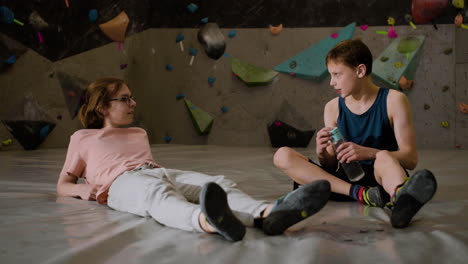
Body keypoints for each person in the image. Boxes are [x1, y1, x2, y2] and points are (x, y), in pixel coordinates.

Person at [56, 77, 331, 241]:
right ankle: (208, 222)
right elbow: (63, 183)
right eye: (125, 99)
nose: (133, 104)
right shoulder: (83, 138)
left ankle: (267, 214)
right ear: (103, 106)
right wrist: (81, 189)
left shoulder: (138, 132)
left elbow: (153, 169)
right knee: (156, 195)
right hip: (120, 184)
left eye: (132, 98)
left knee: (214, 182)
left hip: (158, 170)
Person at [272, 39, 437, 228]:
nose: (332, 83)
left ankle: (401, 201)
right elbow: (331, 164)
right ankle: (361, 194)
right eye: (330, 75)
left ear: (360, 71)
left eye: (337, 75)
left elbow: (410, 159)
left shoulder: (394, 100)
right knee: (282, 155)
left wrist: (369, 153)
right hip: (344, 183)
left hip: (381, 178)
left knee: (383, 156)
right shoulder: (332, 107)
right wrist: (322, 152)